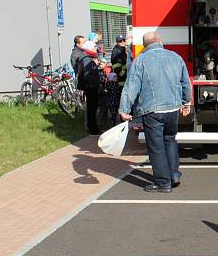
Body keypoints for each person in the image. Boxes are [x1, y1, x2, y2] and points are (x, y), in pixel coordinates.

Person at [119, 31, 192, 193]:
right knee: (170, 140)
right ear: (159, 41)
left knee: (156, 147)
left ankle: (162, 183)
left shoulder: (141, 61)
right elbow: (185, 83)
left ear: (145, 46)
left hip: (152, 110)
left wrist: (124, 109)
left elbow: (131, 87)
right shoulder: (175, 57)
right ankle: (174, 175)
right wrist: (186, 103)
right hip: (173, 109)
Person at [76, 40, 104, 135]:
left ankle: (93, 128)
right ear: (88, 48)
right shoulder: (86, 58)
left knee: (92, 108)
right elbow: (88, 75)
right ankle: (93, 130)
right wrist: (95, 67)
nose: (95, 49)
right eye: (93, 47)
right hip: (90, 87)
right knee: (92, 109)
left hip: (91, 86)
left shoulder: (88, 57)